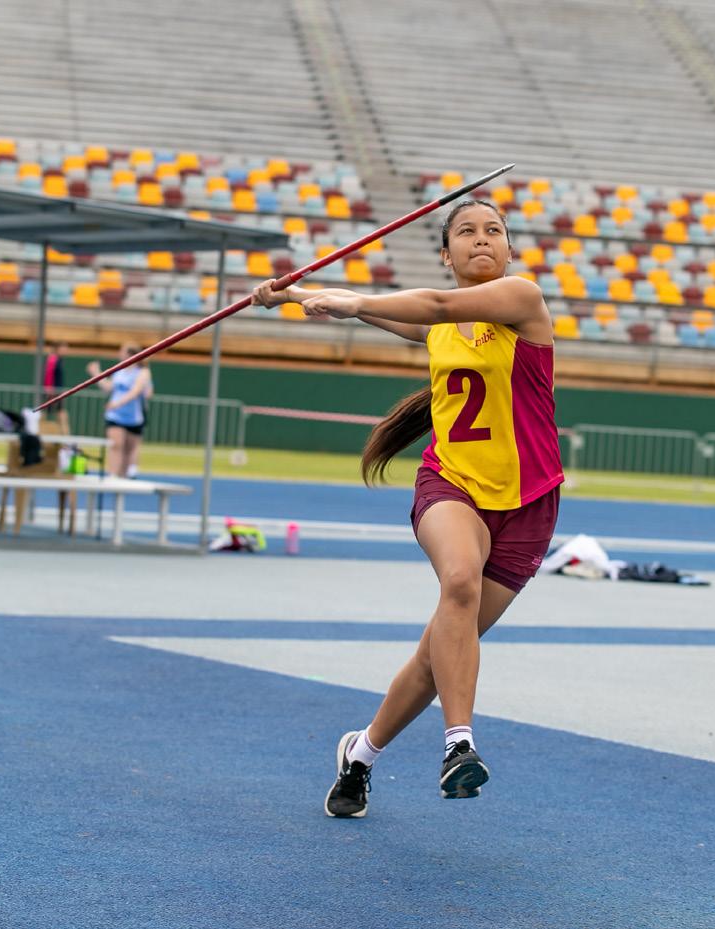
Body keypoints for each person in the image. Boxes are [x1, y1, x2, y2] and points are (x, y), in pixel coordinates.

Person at [251, 199, 564, 817]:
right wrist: (291, 296)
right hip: (452, 485)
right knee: (459, 582)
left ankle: (360, 755)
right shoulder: (437, 325)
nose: (482, 239)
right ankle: (459, 745)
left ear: (510, 250)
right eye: (466, 232)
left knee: (435, 655)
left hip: (529, 503)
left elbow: (436, 305)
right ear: (446, 253)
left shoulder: (522, 300)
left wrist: (354, 302)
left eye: (494, 231)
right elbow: (403, 312)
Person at [86, 344, 153, 478]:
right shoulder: (119, 371)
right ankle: (113, 475)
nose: (119, 354)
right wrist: (96, 373)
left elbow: (135, 391)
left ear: (130, 355)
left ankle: (124, 477)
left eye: (122, 352)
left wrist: (117, 403)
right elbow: (108, 387)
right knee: (116, 446)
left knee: (129, 449)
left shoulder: (143, 372)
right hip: (115, 416)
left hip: (133, 417)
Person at [42, 340, 71, 433]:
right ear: (58, 349)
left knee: (61, 413)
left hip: (57, 391)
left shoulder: (59, 359)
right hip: (52, 392)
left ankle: (64, 435)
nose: (66, 351)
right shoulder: (52, 359)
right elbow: (48, 374)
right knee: (45, 413)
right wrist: (49, 390)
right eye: (64, 348)